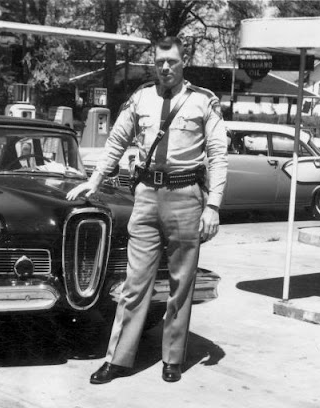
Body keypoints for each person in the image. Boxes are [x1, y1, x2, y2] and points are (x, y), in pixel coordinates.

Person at [66, 36, 228, 384]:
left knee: (181, 282)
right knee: (134, 283)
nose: (165, 67)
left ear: (183, 62)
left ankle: (173, 358)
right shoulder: (141, 98)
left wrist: (213, 205)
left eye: (172, 61)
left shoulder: (203, 101)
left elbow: (218, 156)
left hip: (185, 196)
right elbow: (116, 141)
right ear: (154, 63)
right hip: (146, 196)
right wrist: (95, 180)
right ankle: (118, 359)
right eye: (159, 62)